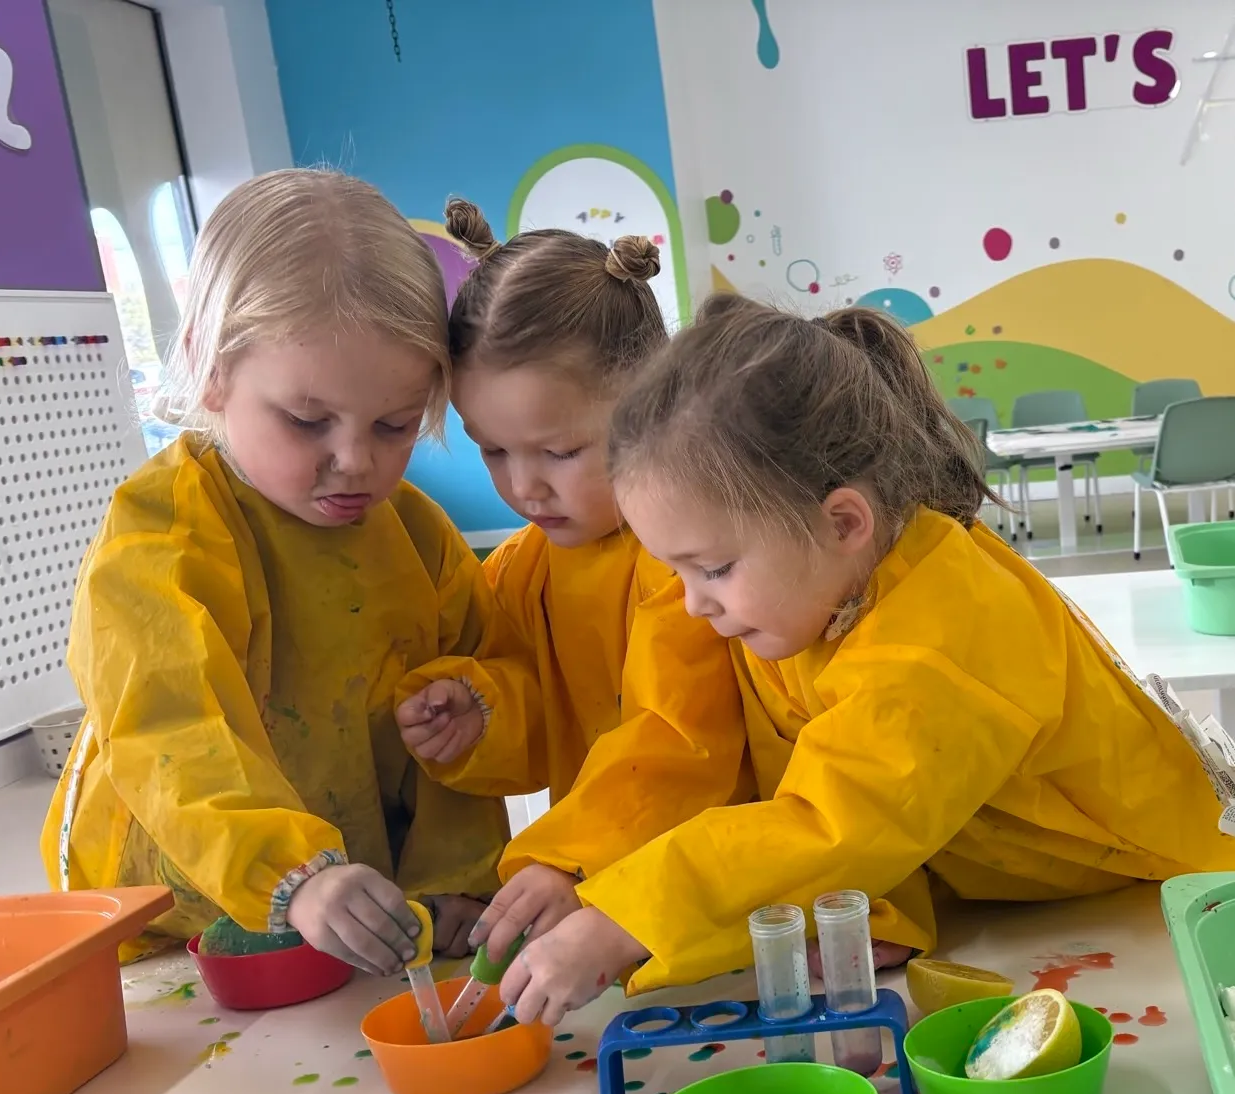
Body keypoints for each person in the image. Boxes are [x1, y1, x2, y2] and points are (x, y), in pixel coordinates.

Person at [498, 294, 1235, 1025]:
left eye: (712, 569)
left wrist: (620, 921)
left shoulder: (944, 634)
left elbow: (837, 821)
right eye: (677, 571)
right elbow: (827, 768)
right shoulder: (802, 587)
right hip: (1011, 894)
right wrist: (880, 906)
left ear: (843, 521)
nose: (692, 604)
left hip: (1159, 896)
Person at [42, 169, 508, 970]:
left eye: (395, 425)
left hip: (354, 908)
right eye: (306, 420)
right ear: (209, 367)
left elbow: (455, 733)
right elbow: (169, 730)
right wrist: (288, 873)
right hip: (167, 917)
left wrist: (452, 881)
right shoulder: (162, 532)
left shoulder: (421, 538)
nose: (355, 462)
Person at [395, 200, 746, 965]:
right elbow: (547, 714)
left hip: (716, 891)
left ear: (653, 405)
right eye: (492, 452)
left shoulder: (681, 557)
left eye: (558, 452)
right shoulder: (522, 567)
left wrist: (570, 854)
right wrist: (479, 713)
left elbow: (678, 740)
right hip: (604, 892)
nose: (524, 488)